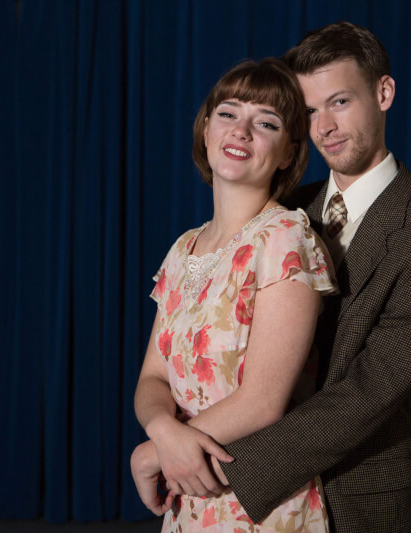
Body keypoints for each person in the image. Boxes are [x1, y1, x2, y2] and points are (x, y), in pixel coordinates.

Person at [134, 22, 411, 532]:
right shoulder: (280, 209)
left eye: (339, 102)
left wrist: (179, 453)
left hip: (352, 491)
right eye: (310, 111)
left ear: (383, 93)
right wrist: (169, 435)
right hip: (210, 477)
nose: (326, 127)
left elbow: (365, 394)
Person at [131, 58, 337, 532]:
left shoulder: (285, 238)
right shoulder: (183, 249)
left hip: (257, 498)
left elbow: (264, 400)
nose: (241, 130)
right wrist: (162, 438)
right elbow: (152, 382)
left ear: (288, 152)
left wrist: (153, 453)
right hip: (187, 485)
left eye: (266, 122)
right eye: (228, 113)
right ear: (206, 131)